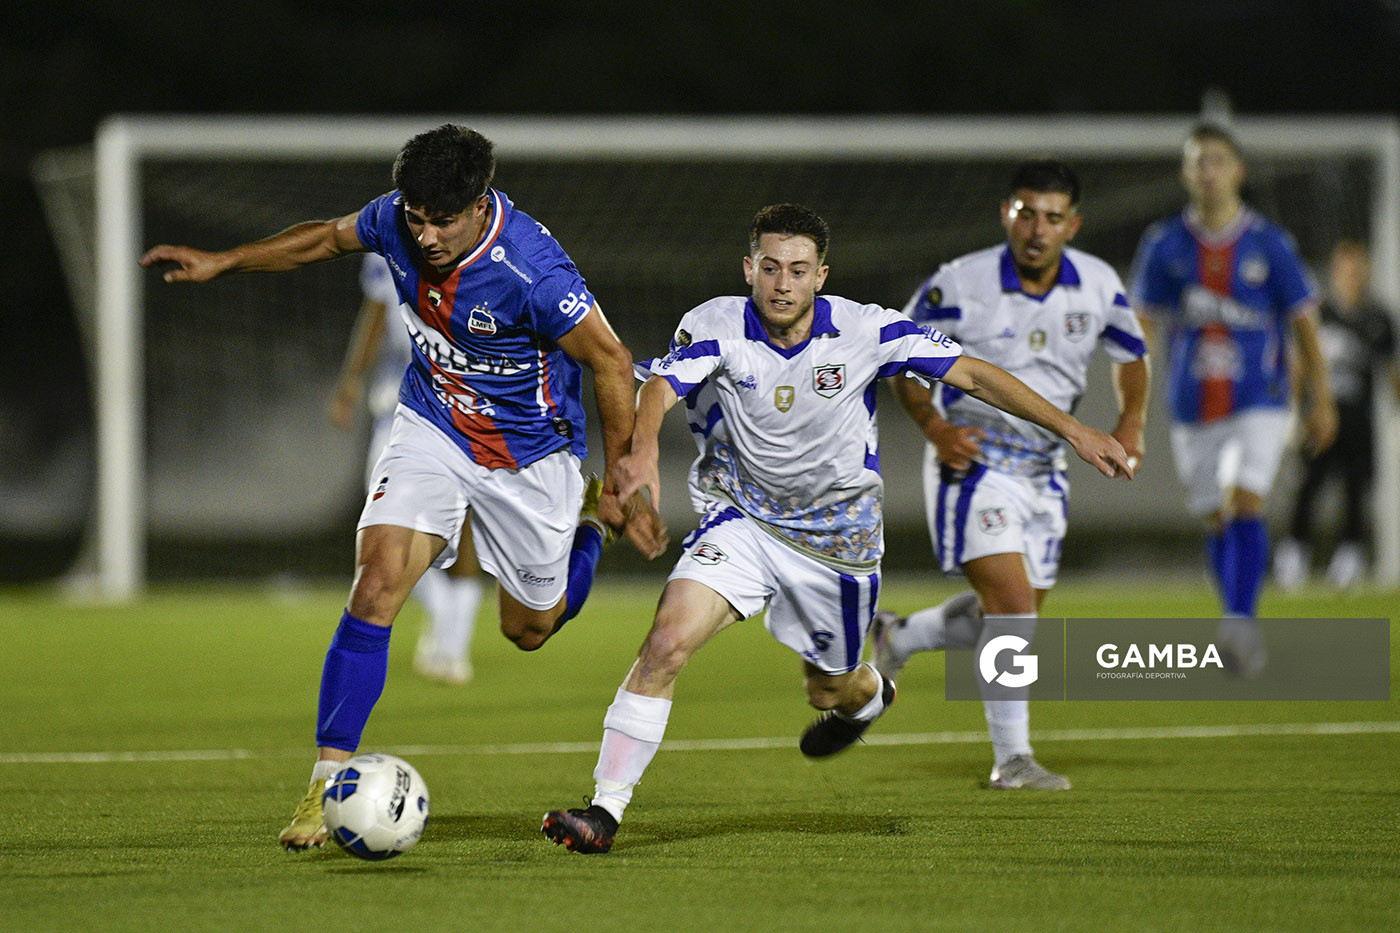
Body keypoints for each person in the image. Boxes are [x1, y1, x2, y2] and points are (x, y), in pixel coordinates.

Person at [540, 204, 1133, 854]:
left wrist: (1076, 429)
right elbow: (658, 389)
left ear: (821, 275)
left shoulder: (867, 330)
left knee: (829, 686)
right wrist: (644, 452)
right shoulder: (715, 324)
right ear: (749, 269)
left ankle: (871, 694)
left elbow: (973, 373)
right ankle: (604, 809)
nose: (782, 284)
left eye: (797, 269)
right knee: (665, 642)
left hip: (837, 543)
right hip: (741, 518)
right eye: (770, 267)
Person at [140, 124, 668, 851]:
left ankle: (588, 530)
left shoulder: (534, 274)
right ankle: (327, 781)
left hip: (532, 456)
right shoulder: (397, 216)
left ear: (480, 205)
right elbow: (324, 238)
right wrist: (224, 261)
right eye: (415, 216)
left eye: (441, 219)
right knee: (378, 580)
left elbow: (611, 360)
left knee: (529, 629)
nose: (424, 234)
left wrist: (621, 474)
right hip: (432, 427)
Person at [872, 160, 1149, 791]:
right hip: (974, 462)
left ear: (1072, 225)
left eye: (1053, 218)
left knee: (1008, 617)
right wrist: (937, 428)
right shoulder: (960, 283)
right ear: (1007, 214)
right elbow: (896, 358)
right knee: (1013, 609)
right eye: (1027, 213)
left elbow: (1133, 355)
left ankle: (900, 634)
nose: (1038, 230)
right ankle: (1011, 759)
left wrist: (1131, 422)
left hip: (1046, 471)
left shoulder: (1099, 283)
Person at [1130, 123, 1337, 675]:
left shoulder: (1271, 243)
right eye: (1199, 161)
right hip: (1192, 404)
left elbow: (1306, 327)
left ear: (1238, 170)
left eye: (1218, 160)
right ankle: (1235, 614)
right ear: (1185, 172)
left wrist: (1320, 401)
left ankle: (1240, 624)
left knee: (1247, 499)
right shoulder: (1164, 245)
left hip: (1260, 398)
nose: (1209, 171)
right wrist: (1133, 403)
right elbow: (1140, 328)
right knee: (1214, 515)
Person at [329, 252, 487, 685]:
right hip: (400, 407)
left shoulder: (492, 247)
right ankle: (443, 618)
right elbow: (376, 315)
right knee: (383, 525)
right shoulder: (388, 244)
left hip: (466, 409)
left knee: (465, 525)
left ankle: (454, 647)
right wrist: (350, 381)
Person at [1274, 239, 1400, 589]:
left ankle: (1349, 559)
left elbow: (1392, 372)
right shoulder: (1318, 314)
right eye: (1346, 271)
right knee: (1307, 487)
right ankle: (1294, 556)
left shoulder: (1379, 319)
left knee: (1355, 490)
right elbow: (1298, 366)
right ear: (1335, 273)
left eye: (1358, 271)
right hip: (1320, 419)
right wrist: (1294, 411)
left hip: (1359, 420)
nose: (1352, 278)